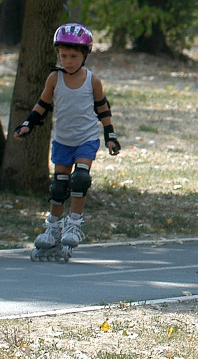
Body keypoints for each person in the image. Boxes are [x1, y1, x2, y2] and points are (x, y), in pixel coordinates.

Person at [15, 22, 121, 258]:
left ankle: (74, 223)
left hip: (86, 139)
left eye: (73, 55)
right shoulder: (54, 78)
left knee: (80, 179)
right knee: (59, 186)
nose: (68, 60)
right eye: (63, 55)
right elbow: (42, 104)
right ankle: (53, 228)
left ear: (84, 56)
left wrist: (110, 136)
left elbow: (103, 108)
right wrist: (27, 124)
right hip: (62, 140)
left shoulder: (92, 81)